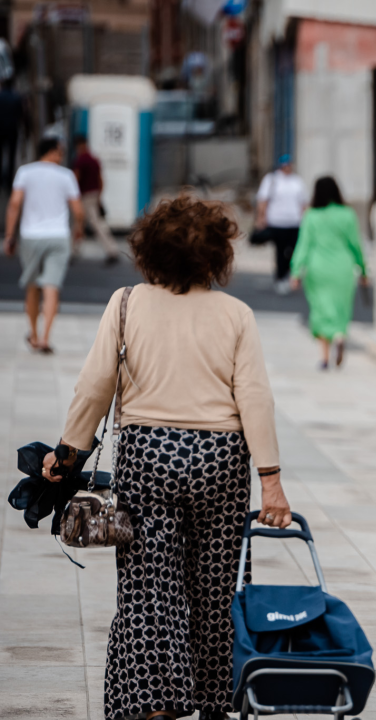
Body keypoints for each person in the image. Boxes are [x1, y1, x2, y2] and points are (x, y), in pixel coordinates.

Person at [40, 195, 291, 720]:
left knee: (149, 586)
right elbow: (255, 399)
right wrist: (270, 480)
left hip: (148, 458)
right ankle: (215, 700)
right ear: (217, 254)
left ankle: (155, 704)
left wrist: (67, 455)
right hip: (220, 459)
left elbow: (94, 386)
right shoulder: (235, 314)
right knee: (216, 584)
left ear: (148, 249)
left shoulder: (126, 303)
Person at [3, 137, 84, 354]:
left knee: (32, 286)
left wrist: (9, 236)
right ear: (52, 151)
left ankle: (34, 334)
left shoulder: (25, 172)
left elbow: (14, 204)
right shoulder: (66, 176)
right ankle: (45, 338)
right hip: (58, 236)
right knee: (52, 286)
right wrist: (79, 230)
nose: (62, 155)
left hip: (31, 236)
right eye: (60, 151)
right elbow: (78, 210)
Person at [289, 176, 367, 369]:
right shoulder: (347, 214)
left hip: (318, 268)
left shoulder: (311, 215)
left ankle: (324, 358)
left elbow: (303, 245)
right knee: (340, 307)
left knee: (320, 309)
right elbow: (356, 244)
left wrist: (296, 271)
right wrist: (363, 269)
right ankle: (339, 335)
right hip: (343, 267)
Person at [256, 154, 306, 295]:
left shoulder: (297, 181)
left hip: (294, 222)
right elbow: (263, 200)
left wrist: (306, 219)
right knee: (280, 251)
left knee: (293, 251)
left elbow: (303, 203)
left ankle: (289, 275)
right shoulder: (271, 179)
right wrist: (261, 217)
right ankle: (280, 277)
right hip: (277, 222)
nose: (287, 167)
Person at [72, 134, 121, 265]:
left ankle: (112, 250)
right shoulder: (94, 160)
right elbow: (101, 180)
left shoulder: (80, 161)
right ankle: (73, 250)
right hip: (94, 194)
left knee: (93, 223)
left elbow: (75, 180)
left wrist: (73, 197)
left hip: (84, 196)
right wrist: (99, 197)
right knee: (82, 224)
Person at [0, 79, 22, 195]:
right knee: (11, 156)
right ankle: (9, 183)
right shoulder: (16, 97)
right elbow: (20, 114)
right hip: (12, 129)